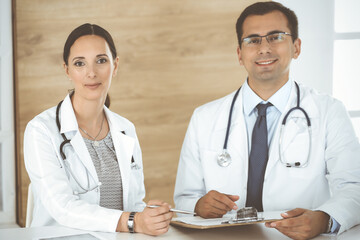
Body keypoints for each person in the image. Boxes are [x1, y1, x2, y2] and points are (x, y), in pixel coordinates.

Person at [174, 2, 360, 239]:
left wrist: (324, 219)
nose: (264, 48)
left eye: (275, 37)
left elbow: (354, 188)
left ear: (296, 47)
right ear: (240, 54)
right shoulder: (204, 118)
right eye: (253, 40)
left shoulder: (329, 111)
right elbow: (184, 199)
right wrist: (198, 206)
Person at [24, 23, 173, 236]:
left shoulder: (126, 129)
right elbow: (62, 207)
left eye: (101, 61)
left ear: (116, 65)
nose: (91, 73)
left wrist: (150, 217)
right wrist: (133, 221)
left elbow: (135, 205)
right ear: (67, 70)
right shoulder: (40, 130)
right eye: (79, 63)